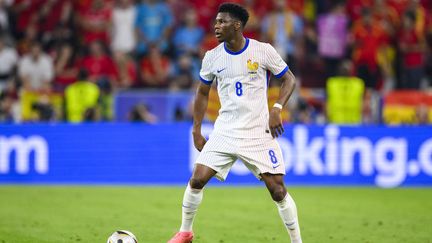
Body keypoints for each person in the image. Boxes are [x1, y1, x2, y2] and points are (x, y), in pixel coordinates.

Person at [168, 3, 302, 243]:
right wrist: (196, 129)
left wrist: (277, 108)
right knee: (197, 179)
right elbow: (201, 93)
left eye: (222, 22)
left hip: (257, 131)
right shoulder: (212, 57)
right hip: (225, 130)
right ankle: (185, 232)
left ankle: (296, 241)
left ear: (237, 25)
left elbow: (289, 79)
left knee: (278, 190)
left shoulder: (262, 51)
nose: (216, 26)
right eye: (216, 22)